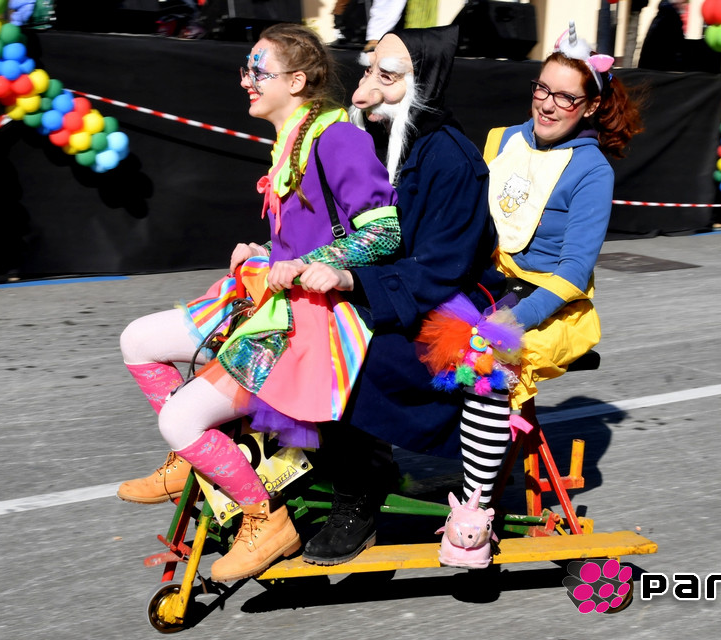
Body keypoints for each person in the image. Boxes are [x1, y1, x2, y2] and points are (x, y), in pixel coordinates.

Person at [116, 23, 401, 582]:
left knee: (180, 417)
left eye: (258, 71)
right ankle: (191, 459)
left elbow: (383, 232)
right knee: (138, 341)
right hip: (269, 298)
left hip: (310, 319)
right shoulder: (292, 138)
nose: (246, 81)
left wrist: (308, 263)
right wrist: (267, 251)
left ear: (295, 81)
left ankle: (265, 518)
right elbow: (308, 235)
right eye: (246, 70)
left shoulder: (337, 138)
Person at [277, 25, 499, 567]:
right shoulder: (373, 139)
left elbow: (441, 269)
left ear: (424, 86)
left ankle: (359, 492)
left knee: (345, 354)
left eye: (388, 76)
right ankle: (298, 473)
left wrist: (354, 282)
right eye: (368, 71)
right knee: (287, 326)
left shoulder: (453, 160)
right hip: (390, 291)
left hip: (445, 304)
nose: (363, 91)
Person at [417, 25, 643, 529]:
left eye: (566, 97)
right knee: (395, 326)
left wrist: (515, 319)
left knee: (486, 361)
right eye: (543, 89)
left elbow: (574, 271)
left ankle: (474, 512)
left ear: (590, 106)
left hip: (550, 306)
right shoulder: (501, 139)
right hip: (485, 285)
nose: (548, 104)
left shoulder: (592, 171)